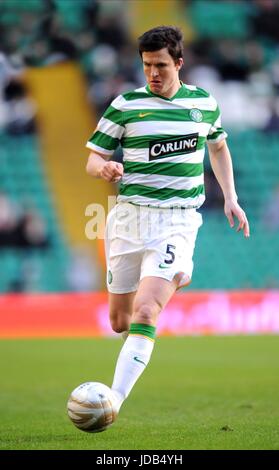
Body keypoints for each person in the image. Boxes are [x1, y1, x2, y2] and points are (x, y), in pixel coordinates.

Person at [85, 26, 250, 420]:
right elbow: (92, 158)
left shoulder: (204, 104)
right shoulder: (125, 105)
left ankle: (113, 402)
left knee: (145, 312)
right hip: (129, 220)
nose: (153, 73)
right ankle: (160, 292)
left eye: (160, 65)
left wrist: (231, 197)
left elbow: (219, 146)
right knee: (119, 320)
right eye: (146, 66)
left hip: (177, 220)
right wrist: (103, 167)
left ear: (178, 63)